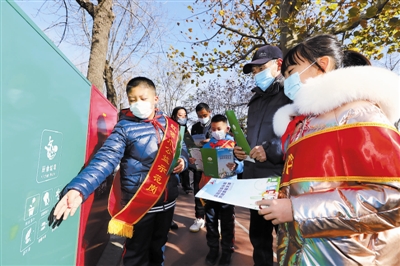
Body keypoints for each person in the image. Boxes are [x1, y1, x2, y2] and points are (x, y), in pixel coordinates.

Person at [257, 34, 400, 265]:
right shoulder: (304, 124)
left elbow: (393, 198)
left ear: (322, 64)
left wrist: (297, 209)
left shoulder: (357, 113)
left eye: (292, 71)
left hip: (346, 255)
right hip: (303, 250)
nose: (287, 82)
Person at [49, 77, 188, 266]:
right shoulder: (124, 128)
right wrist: (79, 189)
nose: (138, 103)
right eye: (132, 99)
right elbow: (105, 160)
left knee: (158, 249)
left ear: (156, 98)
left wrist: (183, 161)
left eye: (143, 98)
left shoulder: (171, 126)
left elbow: (183, 151)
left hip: (167, 202)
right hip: (139, 205)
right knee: (136, 255)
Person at [233, 45, 291, 266]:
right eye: (254, 71)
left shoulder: (290, 95)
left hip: (279, 179)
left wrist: (271, 150)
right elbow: (252, 139)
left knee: (286, 239)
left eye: (261, 68)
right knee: (258, 237)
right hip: (253, 180)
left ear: (278, 64)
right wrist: (240, 150)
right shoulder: (254, 101)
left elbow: (295, 134)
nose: (257, 74)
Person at [199, 114, 244, 266]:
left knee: (226, 222)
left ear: (227, 128)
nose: (216, 131)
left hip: (227, 190)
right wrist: (195, 161)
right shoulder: (206, 146)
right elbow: (201, 165)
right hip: (210, 188)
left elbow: (242, 164)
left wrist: (236, 166)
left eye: (219, 129)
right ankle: (213, 249)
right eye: (213, 129)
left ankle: (227, 250)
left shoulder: (234, 145)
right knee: (210, 221)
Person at [188, 102, 213, 233]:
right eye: (199, 115)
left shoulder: (216, 125)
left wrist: (211, 141)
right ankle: (199, 217)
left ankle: (215, 220)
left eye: (204, 115)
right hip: (199, 162)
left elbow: (227, 140)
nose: (202, 117)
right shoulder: (195, 127)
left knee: (213, 191)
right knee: (198, 190)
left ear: (210, 112)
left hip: (212, 162)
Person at [171, 106, 193, 193]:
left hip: (183, 152)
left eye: (185, 116)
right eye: (180, 115)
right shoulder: (171, 128)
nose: (183, 118)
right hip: (172, 151)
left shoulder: (186, 130)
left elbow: (189, 144)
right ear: (174, 116)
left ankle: (186, 185)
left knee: (184, 166)